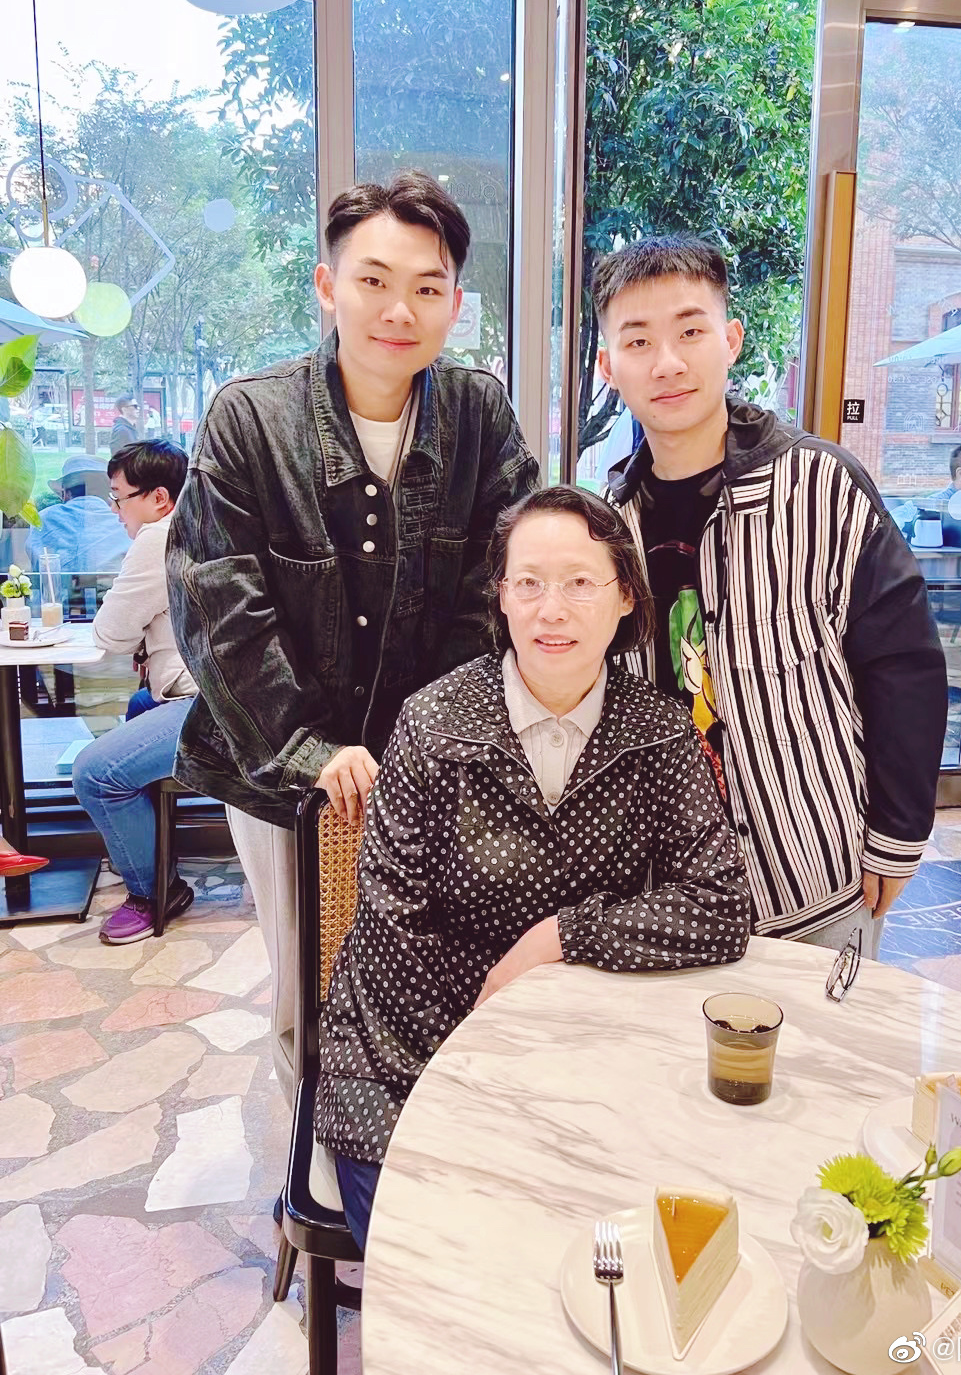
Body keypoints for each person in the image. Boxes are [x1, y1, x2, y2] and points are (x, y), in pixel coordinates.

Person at [168, 170, 540, 1105]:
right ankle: (323, 1161)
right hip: (279, 767)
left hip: (433, 767)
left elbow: (500, 585)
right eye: (373, 280)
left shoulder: (478, 413)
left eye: (427, 287)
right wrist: (311, 751)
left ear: (455, 301)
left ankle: (416, 1148)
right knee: (312, 984)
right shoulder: (251, 417)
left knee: (431, 970)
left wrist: (431, 745)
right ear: (329, 286)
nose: (399, 310)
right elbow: (219, 606)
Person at [316, 486, 751, 1246]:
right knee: (442, 1250)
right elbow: (389, 931)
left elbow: (720, 905)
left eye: (580, 582)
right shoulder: (432, 723)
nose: (552, 611)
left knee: (607, 1249)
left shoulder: (658, 731)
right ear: (501, 597)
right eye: (529, 583)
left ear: (625, 596)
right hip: (408, 1051)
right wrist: (491, 1055)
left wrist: (559, 937)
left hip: (583, 1053)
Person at [593, 235, 948, 956]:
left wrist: (899, 832)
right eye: (638, 341)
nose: (667, 362)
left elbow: (903, 663)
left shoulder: (822, 486)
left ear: (730, 340)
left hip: (813, 873)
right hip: (667, 894)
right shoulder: (609, 522)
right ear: (609, 367)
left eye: (690, 331)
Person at [71, 441, 199, 944]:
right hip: (225, 696)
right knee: (138, 705)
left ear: (159, 498)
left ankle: (154, 891)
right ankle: (147, 850)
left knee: (94, 773)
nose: (115, 509)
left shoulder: (158, 537)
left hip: (209, 705)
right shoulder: (203, 526)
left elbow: (111, 634)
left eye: (119, 497)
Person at [25, 455, 130, 575]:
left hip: (57, 587)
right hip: (115, 586)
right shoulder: (124, 520)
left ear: (65, 493)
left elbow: (37, 566)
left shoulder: (44, 517)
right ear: (108, 492)